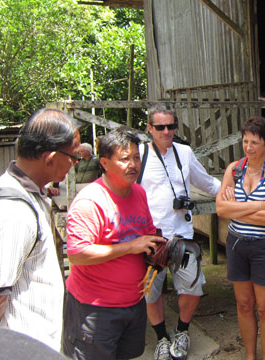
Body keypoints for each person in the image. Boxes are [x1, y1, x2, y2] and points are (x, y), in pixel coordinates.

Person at [0, 108, 80, 351]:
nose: (74, 164)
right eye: (73, 157)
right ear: (50, 158)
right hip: (20, 347)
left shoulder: (31, 194)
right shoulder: (14, 212)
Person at [63, 127, 166, 360]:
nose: (133, 165)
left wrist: (161, 251)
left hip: (134, 302)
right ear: (105, 163)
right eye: (124, 159)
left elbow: (146, 234)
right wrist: (130, 246)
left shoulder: (138, 192)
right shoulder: (90, 201)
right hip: (95, 308)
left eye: (136, 157)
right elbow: (78, 254)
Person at [139, 105, 221, 360]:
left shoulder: (183, 152)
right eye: (160, 127)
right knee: (151, 291)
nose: (166, 131)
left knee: (192, 286)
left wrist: (232, 191)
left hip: (182, 235)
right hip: (151, 237)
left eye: (171, 126)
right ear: (150, 128)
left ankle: (182, 330)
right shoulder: (140, 154)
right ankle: (161, 337)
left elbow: (205, 181)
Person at [216, 115, 265, 360]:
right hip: (237, 244)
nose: (249, 147)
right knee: (244, 305)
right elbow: (221, 210)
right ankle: (250, 356)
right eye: (245, 141)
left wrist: (238, 208)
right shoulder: (234, 170)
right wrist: (259, 205)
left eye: (255, 142)